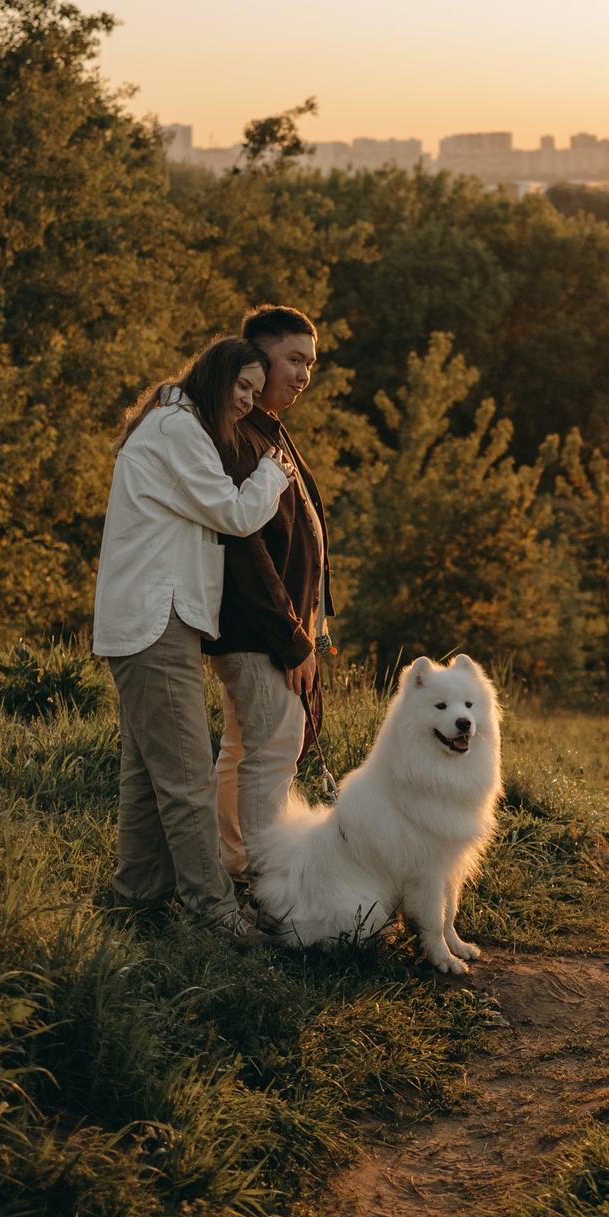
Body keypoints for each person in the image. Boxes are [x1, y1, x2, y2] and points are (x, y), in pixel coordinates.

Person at [94, 335, 296, 936]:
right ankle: (215, 910)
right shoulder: (179, 430)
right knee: (187, 777)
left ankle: (138, 895)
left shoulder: (168, 423)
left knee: (145, 771)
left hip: (148, 619)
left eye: (255, 393)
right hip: (157, 620)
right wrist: (271, 473)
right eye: (242, 387)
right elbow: (234, 513)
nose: (246, 402)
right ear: (215, 376)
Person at [208, 305, 335, 883]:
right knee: (270, 758)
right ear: (258, 357)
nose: (305, 374)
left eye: (311, 362)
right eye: (294, 359)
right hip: (260, 631)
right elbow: (245, 550)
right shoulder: (241, 437)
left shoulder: (268, 431)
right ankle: (268, 886)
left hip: (272, 630)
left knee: (243, 753)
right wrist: (292, 639)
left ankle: (231, 870)